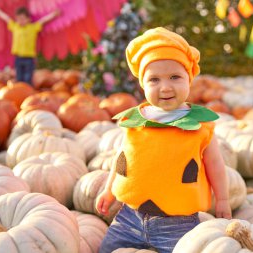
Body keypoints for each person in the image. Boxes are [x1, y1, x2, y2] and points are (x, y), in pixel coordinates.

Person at [96, 27, 231, 253]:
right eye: (154, 80)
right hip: (129, 216)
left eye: (175, 77)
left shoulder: (200, 126)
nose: (165, 87)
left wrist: (224, 199)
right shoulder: (134, 120)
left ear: (189, 78)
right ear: (142, 85)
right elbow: (121, 158)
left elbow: (215, 164)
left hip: (177, 224)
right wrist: (109, 191)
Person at [0, 5, 60, 85]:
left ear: (28, 19)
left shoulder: (32, 28)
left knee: (28, 77)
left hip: (29, 58)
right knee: (19, 77)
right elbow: (6, 18)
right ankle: (20, 90)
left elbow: (43, 21)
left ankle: (28, 91)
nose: (21, 21)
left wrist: (53, 15)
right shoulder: (15, 27)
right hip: (18, 57)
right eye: (19, 19)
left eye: (23, 19)